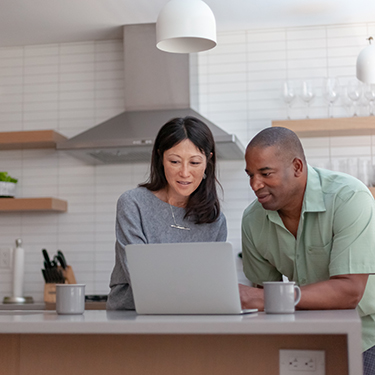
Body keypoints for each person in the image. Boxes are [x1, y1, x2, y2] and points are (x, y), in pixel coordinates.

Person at [239, 126, 375, 375]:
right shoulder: (252, 220)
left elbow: (350, 291)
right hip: (307, 337)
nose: (255, 184)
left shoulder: (349, 197)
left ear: (297, 167)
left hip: (366, 336)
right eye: (250, 175)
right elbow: (262, 298)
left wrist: (260, 298)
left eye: (265, 173)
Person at [107, 116, 227, 310]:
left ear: (208, 161)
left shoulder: (215, 221)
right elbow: (139, 275)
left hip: (192, 317)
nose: (185, 173)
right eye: (175, 161)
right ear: (160, 158)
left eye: (195, 163)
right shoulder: (133, 204)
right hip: (131, 318)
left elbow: (212, 284)